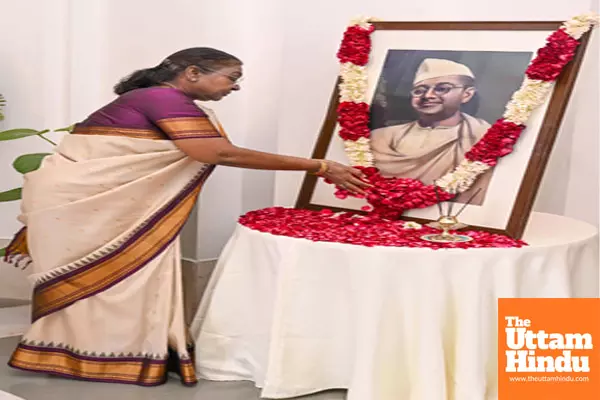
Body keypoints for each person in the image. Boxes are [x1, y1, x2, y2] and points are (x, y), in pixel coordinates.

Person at [4, 47, 369, 387]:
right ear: (192, 73)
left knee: (126, 281)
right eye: (231, 77)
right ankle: (90, 355)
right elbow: (219, 154)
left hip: (100, 204)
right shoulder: (161, 98)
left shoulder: (159, 99)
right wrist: (319, 166)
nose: (235, 86)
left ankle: (113, 352)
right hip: (90, 204)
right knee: (114, 281)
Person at [370, 58, 492, 205]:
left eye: (442, 89)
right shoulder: (382, 137)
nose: (428, 96)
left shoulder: (483, 136)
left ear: (466, 95)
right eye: (419, 91)